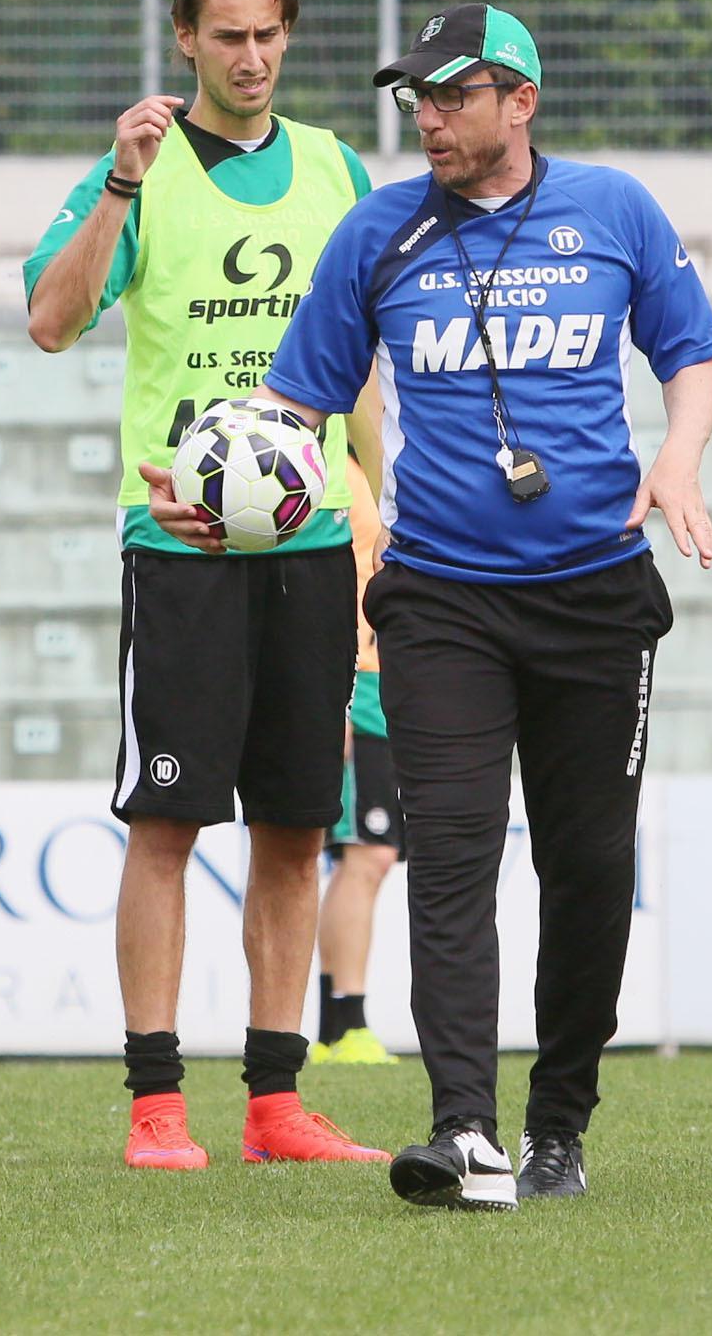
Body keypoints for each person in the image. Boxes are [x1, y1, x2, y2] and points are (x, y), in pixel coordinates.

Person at [198, 2, 712, 1210]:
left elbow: (689, 352)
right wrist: (221, 491)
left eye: (452, 94)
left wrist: (679, 457)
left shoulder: (616, 210)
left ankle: (559, 1126)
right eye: (415, 97)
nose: (427, 116)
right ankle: (464, 1131)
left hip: (597, 593)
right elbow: (298, 404)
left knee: (589, 866)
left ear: (520, 102)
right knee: (447, 855)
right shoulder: (375, 233)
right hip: (438, 598)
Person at [22, 0, 386, 1170]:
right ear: (186, 40)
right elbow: (50, 321)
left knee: (294, 829)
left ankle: (278, 1104)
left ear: (288, 36)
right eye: (225, 35)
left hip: (313, 540)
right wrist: (120, 189)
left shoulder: (338, 167)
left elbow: (367, 370)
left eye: (267, 34)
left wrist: (381, 516)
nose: (249, 57)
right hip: (176, 544)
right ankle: (155, 1105)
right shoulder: (141, 166)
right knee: (166, 824)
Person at [314, 449, 404, 1068]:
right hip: (359, 683)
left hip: (389, 678)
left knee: (373, 854)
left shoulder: (375, 460)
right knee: (363, 853)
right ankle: (343, 1023)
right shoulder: (332, 468)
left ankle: (337, 1026)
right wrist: (336, 694)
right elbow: (332, 585)